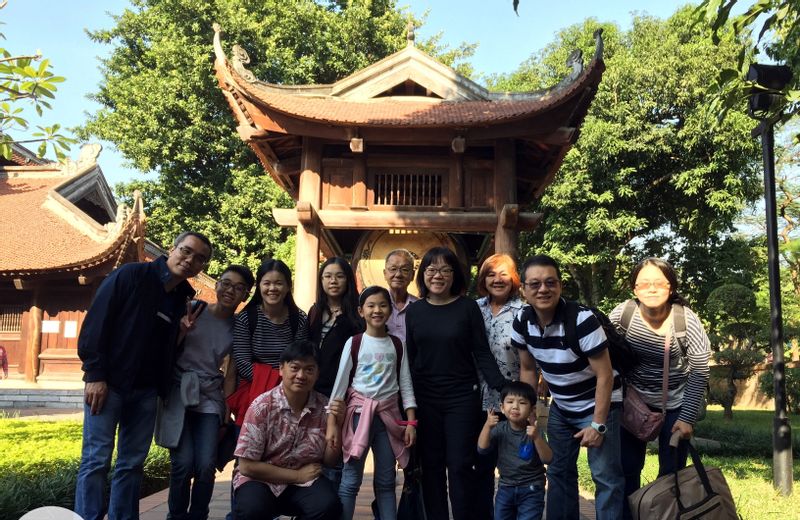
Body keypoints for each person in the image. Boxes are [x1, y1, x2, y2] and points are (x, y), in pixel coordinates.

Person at [75, 231, 211, 520]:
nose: (190, 260)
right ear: (172, 248)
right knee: (96, 460)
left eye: (199, 259)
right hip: (109, 384)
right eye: (186, 251)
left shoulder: (181, 299)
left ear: (202, 267)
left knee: (132, 463)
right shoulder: (131, 276)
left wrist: (180, 334)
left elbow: (166, 351)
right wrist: (95, 374)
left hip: (147, 392)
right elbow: (96, 323)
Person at [511, 254, 624, 520]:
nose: (543, 289)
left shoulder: (582, 319)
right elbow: (528, 369)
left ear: (560, 286)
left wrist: (598, 425)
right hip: (562, 406)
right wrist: (529, 412)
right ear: (523, 290)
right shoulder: (522, 321)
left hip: (598, 404)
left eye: (551, 282)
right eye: (535, 284)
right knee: (559, 470)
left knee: (605, 477)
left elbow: (605, 375)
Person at [405, 246, 507, 520]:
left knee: (461, 465)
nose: (438, 275)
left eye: (445, 270)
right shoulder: (415, 312)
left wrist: (503, 386)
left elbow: (481, 352)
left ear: (455, 275)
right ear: (423, 274)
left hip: (462, 397)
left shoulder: (467, 307)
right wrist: (408, 404)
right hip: (426, 398)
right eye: (431, 269)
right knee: (432, 466)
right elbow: (410, 360)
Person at [610, 257, 710, 520]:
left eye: (659, 283)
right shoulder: (623, 314)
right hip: (633, 403)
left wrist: (687, 418)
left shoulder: (685, 319)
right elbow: (604, 352)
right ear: (634, 289)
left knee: (671, 472)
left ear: (671, 287)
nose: (651, 289)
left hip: (676, 404)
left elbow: (700, 369)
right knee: (627, 469)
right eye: (644, 284)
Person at [158, 264, 254, 520]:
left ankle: (198, 514)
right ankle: (176, 516)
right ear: (216, 283)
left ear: (245, 295)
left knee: (205, 465)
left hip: (210, 397)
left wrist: (226, 408)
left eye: (238, 288)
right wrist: (181, 331)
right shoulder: (195, 309)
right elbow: (167, 350)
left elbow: (231, 370)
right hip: (179, 392)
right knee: (182, 464)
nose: (229, 290)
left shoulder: (238, 327)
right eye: (226, 283)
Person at [326, 285, 417, 520]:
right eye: (371, 305)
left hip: (388, 419)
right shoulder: (355, 343)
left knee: (387, 482)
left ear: (390, 310)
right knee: (350, 480)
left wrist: (410, 422)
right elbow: (341, 384)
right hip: (358, 416)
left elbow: (405, 384)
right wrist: (332, 423)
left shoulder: (397, 344)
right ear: (361, 311)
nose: (377, 310)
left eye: (383, 305)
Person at [232, 340, 343, 520]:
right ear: (281, 369)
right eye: (295, 368)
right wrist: (297, 476)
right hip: (261, 480)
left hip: (304, 482)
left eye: (309, 369)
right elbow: (246, 466)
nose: (301, 375)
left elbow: (330, 461)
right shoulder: (262, 406)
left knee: (328, 506)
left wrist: (336, 424)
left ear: (317, 374)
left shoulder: (325, 407)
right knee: (251, 509)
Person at [474, 253, 525, 516]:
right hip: (476, 398)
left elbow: (531, 362)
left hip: (511, 402)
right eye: (491, 274)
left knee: (513, 466)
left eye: (503, 273)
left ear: (514, 278)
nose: (497, 279)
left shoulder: (524, 312)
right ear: (483, 279)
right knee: (480, 463)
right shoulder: (474, 308)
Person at [231, 258, 308, 394]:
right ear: (259, 286)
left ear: (288, 286)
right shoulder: (247, 319)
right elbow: (242, 363)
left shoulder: (299, 319)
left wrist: (284, 384)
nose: (272, 288)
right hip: (253, 389)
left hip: (289, 391)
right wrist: (273, 383)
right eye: (267, 283)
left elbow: (300, 358)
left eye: (278, 283)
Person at [477, 381, 552, 520]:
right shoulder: (499, 429)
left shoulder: (536, 432)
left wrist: (536, 438)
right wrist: (487, 427)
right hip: (505, 487)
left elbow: (548, 458)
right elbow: (482, 449)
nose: (515, 407)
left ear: (532, 410)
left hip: (532, 488)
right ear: (502, 407)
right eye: (510, 402)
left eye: (522, 403)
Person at [309, 257, 362, 398]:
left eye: (340, 276)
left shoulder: (358, 312)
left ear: (348, 280)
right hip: (314, 386)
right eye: (327, 276)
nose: (333, 281)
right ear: (321, 280)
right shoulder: (315, 311)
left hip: (345, 389)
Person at [383, 249, 417, 343]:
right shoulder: (376, 306)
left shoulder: (419, 307)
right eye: (393, 269)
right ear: (385, 274)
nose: (398, 274)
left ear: (413, 275)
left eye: (405, 270)